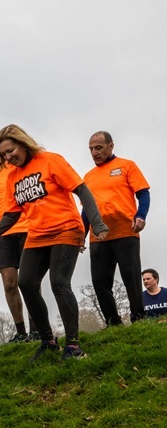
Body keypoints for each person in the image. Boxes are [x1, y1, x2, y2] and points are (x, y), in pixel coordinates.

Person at [0, 124, 109, 361]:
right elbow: (11, 216)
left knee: (59, 283)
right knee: (26, 284)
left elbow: (82, 190)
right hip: (37, 233)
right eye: (3, 154)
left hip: (65, 228)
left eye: (10, 150)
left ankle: (73, 346)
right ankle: (47, 341)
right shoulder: (12, 176)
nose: (8, 157)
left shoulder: (50, 161)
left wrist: (97, 223)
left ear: (22, 144)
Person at [83, 131, 151, 325]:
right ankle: (113, 321)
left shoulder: (127, 166)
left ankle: (138, 317)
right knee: (99, 281)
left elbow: (143, 193)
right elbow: (86, 210)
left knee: (131, 276)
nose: (94, 153)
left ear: (110, 146)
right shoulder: (87, 177)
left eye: (98, 148)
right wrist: (81, 234)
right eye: (91, 149)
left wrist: (141, 215)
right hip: (99, 236)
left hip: (125, 230)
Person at [0, 163, 37, 342]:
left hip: (28, 228)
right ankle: (21, 332)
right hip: (2, 233)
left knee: (30, 282)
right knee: (9, 283)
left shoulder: (27, 165)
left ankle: (37, 329)